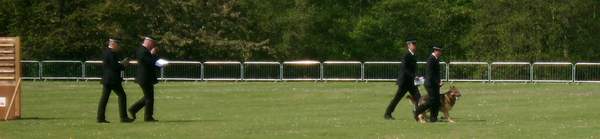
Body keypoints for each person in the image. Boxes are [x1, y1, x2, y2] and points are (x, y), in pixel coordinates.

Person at [97, 38, 134, 123]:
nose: (118, 47)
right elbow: (115, 67)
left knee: (104, 98)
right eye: (117, 45)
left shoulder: (106, 52)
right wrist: (124, 64)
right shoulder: (111, 53)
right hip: (112, 79)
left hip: (107, 79)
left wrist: (121, 64)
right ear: (113, 44)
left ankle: (100, 117)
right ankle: (123, 117)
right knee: (122, 96)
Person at [384, 37, 421, 120]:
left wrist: (416, 75)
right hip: (404, 82)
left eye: (415, 44)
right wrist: (414, 76)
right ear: (408, 45)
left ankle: (419, 114)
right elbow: (404, 69)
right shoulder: (406, 55)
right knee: (397, 98)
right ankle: (387, 114)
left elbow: (413, 69)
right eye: (413, 44)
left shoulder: (413, 55)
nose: (415, 46)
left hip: (412, 83)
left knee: (419, 98)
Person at [129, 37, 160, 122]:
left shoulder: (144, 51)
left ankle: (134, 110)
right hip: (144, 77)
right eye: (152, 43)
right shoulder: (142, 51)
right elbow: (149, 62)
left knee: (148, 97)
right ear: (148, 42)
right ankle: (147, 116)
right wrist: (153, 54)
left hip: (146, 77)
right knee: (149, 98)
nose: (153, 46)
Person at [414, 46, 443, 123]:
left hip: (435, 83)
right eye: (439, 51)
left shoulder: (436, 59)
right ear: (435, 51)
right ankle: (417, 112)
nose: (441, 53)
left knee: (436, 101)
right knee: (432, 100)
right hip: (430, 83)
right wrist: (437, 82)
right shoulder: (431, 59)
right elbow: (430, 74)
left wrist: (439, 81)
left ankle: (433, 118)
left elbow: (436, 73)